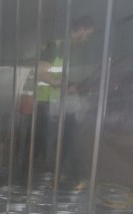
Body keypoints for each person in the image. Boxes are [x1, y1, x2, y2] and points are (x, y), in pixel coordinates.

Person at [35, 16, 95, 175]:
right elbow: (41, 73)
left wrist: (75, 88)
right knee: (52, 143)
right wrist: (63, 86)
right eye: (88, 34)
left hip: (61, 105)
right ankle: (50, 176)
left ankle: (62, 174)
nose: (88, 39)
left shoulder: (74, 51)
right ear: (81, 29)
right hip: (48, 105)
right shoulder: (56, 46)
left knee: (66, 142)